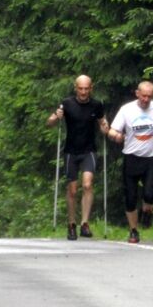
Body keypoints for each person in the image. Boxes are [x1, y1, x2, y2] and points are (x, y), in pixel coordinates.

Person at [108, 80, 153, 244]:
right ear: (137, 94)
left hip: (151, 157)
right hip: (131, 156)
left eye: (149, 97)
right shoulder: (127, 110)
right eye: (143, 96)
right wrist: (115, 136)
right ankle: (133, 230)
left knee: (149, 194)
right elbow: (112, 130)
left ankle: (147, 211)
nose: (146, 99)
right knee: (130, 197)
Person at [46, 75, 109, 240]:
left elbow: (104, 125)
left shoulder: (96, 105)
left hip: (89, 151)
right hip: (71, 152)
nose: (83, 92)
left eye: (86, 88)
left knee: (87, 185)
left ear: (91, 88)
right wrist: (56, 116)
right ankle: (71, 223)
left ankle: (85, 223)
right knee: (73, 190)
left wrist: (105, 127)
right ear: (76, 88)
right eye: (80, 88)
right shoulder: (66, 103)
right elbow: (50, 122)